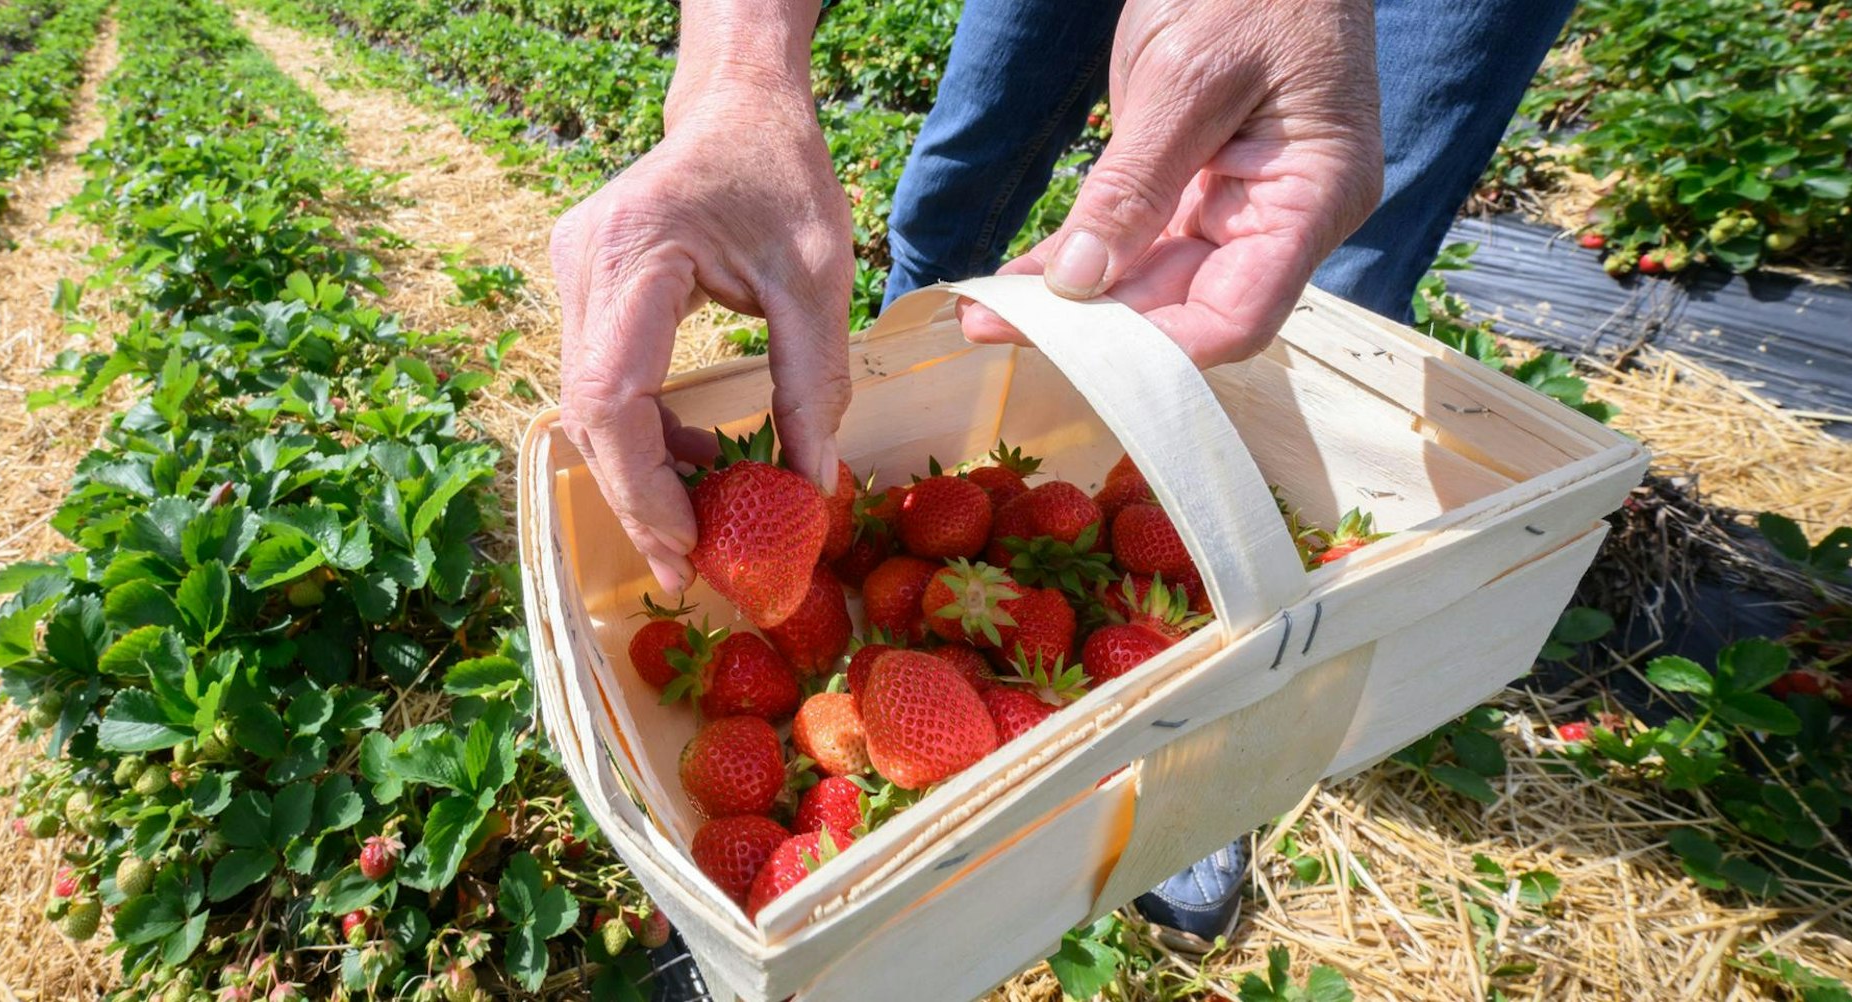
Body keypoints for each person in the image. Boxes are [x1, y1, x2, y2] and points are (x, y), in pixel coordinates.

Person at [548, 0, 1575, 993]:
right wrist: (738, 83)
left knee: (1319, 259)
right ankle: (1129, 708)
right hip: (966, 647)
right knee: (961, 185)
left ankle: (1196, 760)